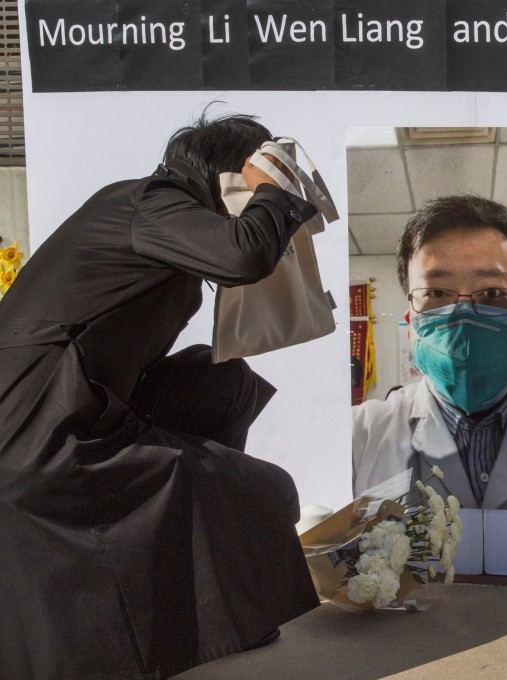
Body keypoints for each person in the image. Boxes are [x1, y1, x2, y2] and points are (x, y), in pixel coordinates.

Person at [0, 113, 322, 680]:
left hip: (76, 404)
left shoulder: (158, 215)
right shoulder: (152, 201)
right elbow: (244, 254)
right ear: (234, 174)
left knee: (224, 383)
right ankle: (226, 603)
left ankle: (217, 588)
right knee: (267, 492)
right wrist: (275, 189)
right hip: (39, 428)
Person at [352, 195, 507, 513]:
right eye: (436, 293)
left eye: (493, 292)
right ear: (411, 326)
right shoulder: (361, 435)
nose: (464, 315)